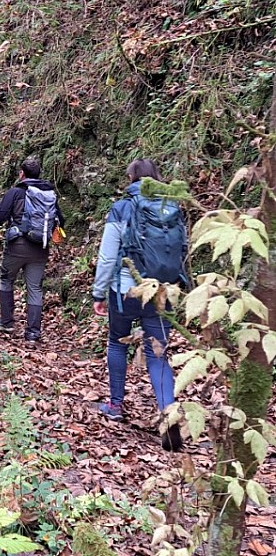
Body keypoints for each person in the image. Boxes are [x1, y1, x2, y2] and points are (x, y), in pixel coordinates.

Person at [92, 158, 184, 451]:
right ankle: (168, 415)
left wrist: (98, 293)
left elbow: (108, 257)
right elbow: (180, 249)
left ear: (131, 177)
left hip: (126, 290)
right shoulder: (172, 207)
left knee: (118, 343)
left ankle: (115, 405)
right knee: (158, 354)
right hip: (161, 291)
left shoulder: (122, 207)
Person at [0, 157, 63, 343]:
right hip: (40, 248)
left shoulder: (16, 192)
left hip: (17, 246)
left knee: (6, 280)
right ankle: (33, 333)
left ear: (22, 174)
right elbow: (61, 219)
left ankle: (6, 322)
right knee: (35, 288)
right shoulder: (49, 195)